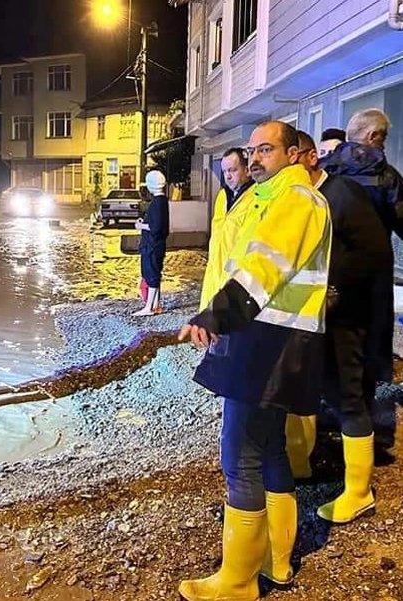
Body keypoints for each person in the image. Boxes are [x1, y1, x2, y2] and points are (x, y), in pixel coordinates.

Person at [177, 121, 333, 600]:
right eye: (252, 150)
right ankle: (277, 563)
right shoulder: (273, 197)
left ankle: (238, 580)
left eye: (266, 149)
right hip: (276, 340)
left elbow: (265, 266)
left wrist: (216, 315)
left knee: (239, 454)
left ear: (294, 154)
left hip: (267, 342)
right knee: (268, 450)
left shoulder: (296, 200)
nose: (255, 158)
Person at [283, 131, 390, 525]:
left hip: (346, 318)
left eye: (291, 159)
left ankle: (359, 493)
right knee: (308, 388)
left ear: (310, 157)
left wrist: (334, 290)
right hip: (312, 316)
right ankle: (300, 463)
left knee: (348, 398)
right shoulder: (303, 199)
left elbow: (374, 253)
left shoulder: (342, 194)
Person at [321, 108, 403, 457]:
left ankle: (325, 418)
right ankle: (365, 428)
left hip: (328, 277)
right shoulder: (386, 177)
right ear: (373, 137)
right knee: (367, 350)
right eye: (384, 137)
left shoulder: (325, 171)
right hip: (371, 280)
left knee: (328, 346)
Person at [201, 148, 255, 310]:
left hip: (236, 280)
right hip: (214, 274)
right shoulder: (222, 196)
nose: (228, 176)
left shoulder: (256, 198)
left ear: (247, 170)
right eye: (225, 171)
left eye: (233, 170)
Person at [133, 170, 170, 316]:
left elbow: (156, 227)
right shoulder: (162, 201)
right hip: (156, 244)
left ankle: (149, 307)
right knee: (154, 273)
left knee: (151, 273)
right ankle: (155, 305)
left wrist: (141, 226)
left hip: (152, 245)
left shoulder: (157, 202)